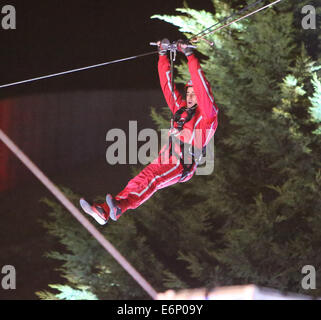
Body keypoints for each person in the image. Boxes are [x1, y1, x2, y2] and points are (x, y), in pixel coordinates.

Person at [80, 39, 219, 225]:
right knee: (140, 180)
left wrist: (189, 55)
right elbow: (167, 87)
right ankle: (105, 211)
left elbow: (201, 88)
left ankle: (120, 208)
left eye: (195, 94)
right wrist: (162, 56)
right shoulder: (182, 109)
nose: (191, 97)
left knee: (151, 179)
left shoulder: (208, 116)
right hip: (166, 157)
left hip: (182, 162)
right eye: (189, 93)